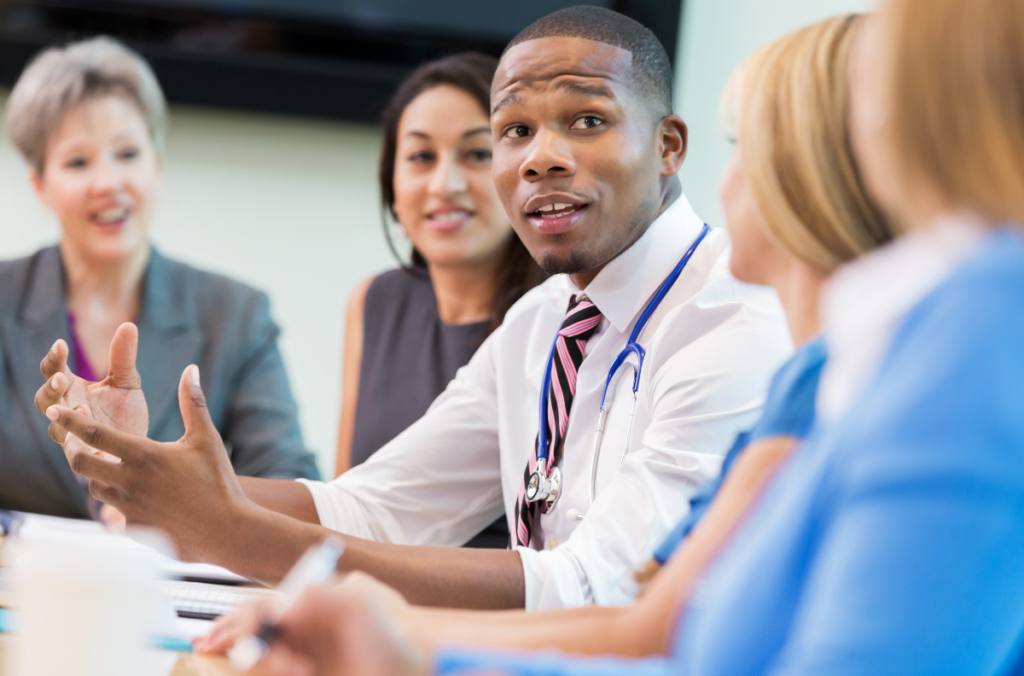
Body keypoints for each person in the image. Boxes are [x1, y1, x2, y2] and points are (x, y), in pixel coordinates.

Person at [247, 0, 1024, 672]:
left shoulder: (963, 345)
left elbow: (637, 615)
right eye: (513, 131)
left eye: (744, 146)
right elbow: (662, 632)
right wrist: (414, 650)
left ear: (825, 167)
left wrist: (418, 653)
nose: (725, 183)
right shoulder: (825, 376)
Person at [37, 7, 793, 611]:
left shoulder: (734, 317)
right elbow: (374, 508)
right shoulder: (542, 323)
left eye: (588, 120)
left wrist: (232, 531)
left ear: (669, 146)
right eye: (516, 132)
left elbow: (596, 588)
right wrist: (149, 470)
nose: (540, 158)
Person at [0, 36, 319, 520]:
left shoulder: (235, 315)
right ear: (40, 185)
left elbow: (294, 486)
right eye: (78, 162)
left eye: (127, 154)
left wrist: (174, 503)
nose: (109, 183)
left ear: (158, 166)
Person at [337, 53, 545, 549]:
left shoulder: (561, 316)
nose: (445, 185)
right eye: (421, 157)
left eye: (477, 154)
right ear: (392, 189)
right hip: (366, 603)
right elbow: (344, 502)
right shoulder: (374, 300)